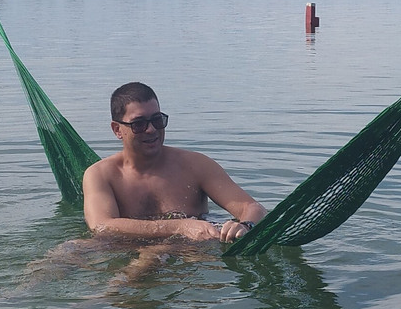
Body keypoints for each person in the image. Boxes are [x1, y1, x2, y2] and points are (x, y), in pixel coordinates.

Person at [83, 82, 266, 243]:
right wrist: (180, 227)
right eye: (139, 124)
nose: (151, 130)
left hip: (191, 254)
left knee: (146, 263)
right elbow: (102, 226)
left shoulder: (196, 165)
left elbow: (252, 207)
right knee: (67, 252)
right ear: (117, 129)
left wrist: (245, 225)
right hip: (126, 247)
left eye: (157, 120)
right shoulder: (101, 174)